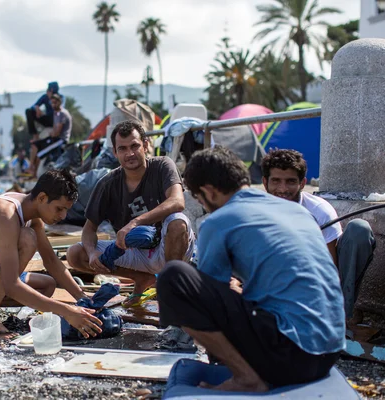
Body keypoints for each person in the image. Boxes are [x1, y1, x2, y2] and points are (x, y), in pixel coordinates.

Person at [157, 147, 345, 392]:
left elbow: (207, 303)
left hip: (292, 357)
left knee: (174, 278)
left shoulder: (219, 221)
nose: (203, 205)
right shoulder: (298, 210)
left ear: (208, 191)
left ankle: (246, 377)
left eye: (200, 199)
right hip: (329, 353)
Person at [0, 169, 103, 339]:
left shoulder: (31, 212)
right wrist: (67, 311)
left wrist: (82, 298)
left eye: (66, 210)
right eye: (59, 209)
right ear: (42, 198)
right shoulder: (5, 213)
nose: (63, 216)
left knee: (47, 285)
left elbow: (51, 261)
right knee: (27, 238)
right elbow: (11, 285)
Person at [67, 120, 195, 307]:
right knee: (75, 254)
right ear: (115, 153)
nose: (130, 153)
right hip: (136, 253)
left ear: (145, 144)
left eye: (135, 146)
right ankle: (143, 279)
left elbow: (177, 202)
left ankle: (171, 288)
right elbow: (88, 230)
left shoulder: (162, 166)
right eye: (123, 148)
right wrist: (93, 252)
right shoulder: (107, 184)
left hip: (170, 246)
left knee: (178, 222)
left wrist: (134, 223)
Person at [261, 149, 375, 325]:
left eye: (290, 181)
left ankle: (342, 316)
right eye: (276, 181)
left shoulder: (319, 211)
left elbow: (331, 270)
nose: (282, 189)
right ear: (265, 183)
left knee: (359, 230)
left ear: (302, 183)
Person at [28, 93, 72, 176]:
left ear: (59, 102)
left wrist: (52, 133)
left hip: (61, 140)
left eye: (55, 102)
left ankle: (34, 174)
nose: (53, 105)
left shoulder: (62, 113)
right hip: (53, 138)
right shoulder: (55, 113)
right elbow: (54, 129)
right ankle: (30, 169)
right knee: (34, 145)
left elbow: (57, 132)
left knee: (40, 153)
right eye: (52, 103)